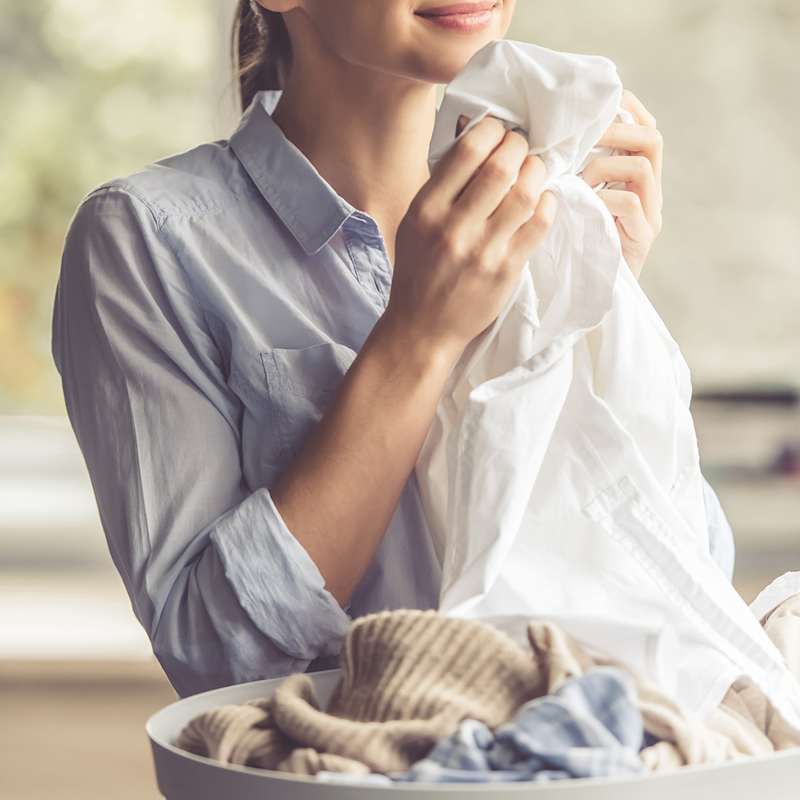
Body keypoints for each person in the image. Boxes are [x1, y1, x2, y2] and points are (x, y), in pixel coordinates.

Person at [51, 0, 730, 698]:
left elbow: (691, 592)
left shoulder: (542, 216)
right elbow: (217, 655)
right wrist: (418, 336)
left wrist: (590, 326)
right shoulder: (146, 240)